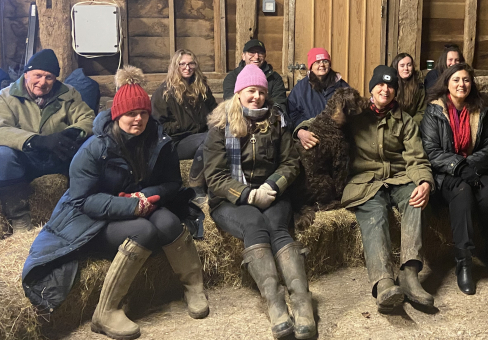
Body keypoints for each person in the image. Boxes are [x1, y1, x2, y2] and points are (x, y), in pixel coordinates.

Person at [22, 66, 208, 340]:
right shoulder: (95, 147)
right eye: (131, 113)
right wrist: (131, 206)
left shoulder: (160, 141)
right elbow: (83, 200)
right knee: (144, 231)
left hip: (142, 204)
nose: (138, 119)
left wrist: (148, 197)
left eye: (143, 112)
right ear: (118, 114)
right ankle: (105, 312)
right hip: (94, 219)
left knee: (169, 222)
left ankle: (194, 286)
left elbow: (172, 183)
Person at [301, 66, 435, 313]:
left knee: (415, 200)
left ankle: (410, 273)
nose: (385, 89)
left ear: (396, 90)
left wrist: (424, 182)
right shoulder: (356, 112)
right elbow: (325, 119)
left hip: (398, 177)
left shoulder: (404, 120)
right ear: (372, 88)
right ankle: (383, 282)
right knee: (375, 214)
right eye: (380, 85)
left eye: (391, 86)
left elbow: (416, 158)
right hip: (364, 181)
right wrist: (301, 129)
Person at [204, 64, 314, 339]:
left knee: (278, 227)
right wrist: (248, 195)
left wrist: (272, 185)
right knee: (255, 226)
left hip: (272, 191)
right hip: (230, 199)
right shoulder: (221, 125)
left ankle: (302, 302)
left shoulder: (276, 120)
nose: (257, 97)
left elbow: (291, 163)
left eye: (262, 92)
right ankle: (275, 303)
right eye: (251, 91)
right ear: (239, 92)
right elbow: (215, 177)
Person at [0, 49, 95, 232]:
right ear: (26, 74)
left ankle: (77, 213)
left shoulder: (68, 94)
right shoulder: (5, 97)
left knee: (90, 147)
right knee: (3, 155)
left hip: (58, 156)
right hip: (26, 159)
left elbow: (89, 119)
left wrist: (67, 135)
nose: (42, 82)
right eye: (37, 75)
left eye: (49, 77)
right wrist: (36, 141)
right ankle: (19, 219)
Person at [420, 63, 488, 295]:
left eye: (466, 80)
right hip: (446, 175)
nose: (461, 84)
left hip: (474, 170)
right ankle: (463, 262)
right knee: (462, 192)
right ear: (447, 83)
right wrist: (458, 166)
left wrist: (469, 166)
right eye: (456, 80)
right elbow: (432, 151)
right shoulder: (434, 112)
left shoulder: (481, 111)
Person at [152, 49, 218, 200]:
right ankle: (194, 182)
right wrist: (181, 125)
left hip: (200, 137)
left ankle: (215, 186)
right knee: (207, 139)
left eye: (191, 64)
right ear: (175, 66)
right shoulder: (164, 92)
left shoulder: (201, 88)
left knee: (217, 137)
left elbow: (214, 113)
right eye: (182, 64)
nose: (187, 68)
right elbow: (157, 125)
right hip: (175, 143)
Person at [289, 47, 349, 150]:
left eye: (325, 61)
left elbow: (352, 109)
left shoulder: (342, 86)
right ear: (311, 66)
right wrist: (300, 131)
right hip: (310, 140)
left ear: (329, 64)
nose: (322, 65)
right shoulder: (300, 89)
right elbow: (292, 113)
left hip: (338, 139)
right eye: (317, 62)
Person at [223, 39, 287, 107]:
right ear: (243, 56)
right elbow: (230, 103)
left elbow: (280, 104)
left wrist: (263, 114)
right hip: (239, 116)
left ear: (265, 56)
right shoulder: (232, 77)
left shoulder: (274, 78)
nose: (256, 57)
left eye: (260, 53)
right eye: (252, 52)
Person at [391, 52, 427, 124]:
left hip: (411, 125)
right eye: (402, 65)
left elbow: (421, 111)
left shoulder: (419, 86)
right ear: (396, 67)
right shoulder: (390, 85)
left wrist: (410, 125)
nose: (406, 68)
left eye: (409, 65)